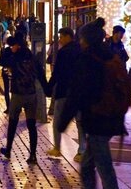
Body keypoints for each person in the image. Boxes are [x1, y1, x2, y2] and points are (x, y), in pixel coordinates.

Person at [61, 18, 126, 188]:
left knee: (104, 167)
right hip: (112, 116)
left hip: (98, 119)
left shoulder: (87, 59)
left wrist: (62, 122)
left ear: (87, 39)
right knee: (87, 164)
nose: (80, 42)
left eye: (82, 38)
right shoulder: (110, 55)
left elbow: (77, 93)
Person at [0, 36, 44, 165]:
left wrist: (9, 51)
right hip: (31, 94)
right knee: (31, 125)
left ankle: (8, 150)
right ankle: (33, 155)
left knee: (12, 123)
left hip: (18, 94)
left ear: (17, 45)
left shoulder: (15, 58)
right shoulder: (32, 57)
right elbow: (41, 73)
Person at [44, 26, 84, 161]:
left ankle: (57, 148)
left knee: (58, 121)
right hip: (78, 91)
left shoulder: (63, 52)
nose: (60, 40)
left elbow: (57, 73)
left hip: (63, 91)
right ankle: (81, 151)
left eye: (61, 37)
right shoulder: (81, 51)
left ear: (68, 36)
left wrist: (49, 88)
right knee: (80, 122)